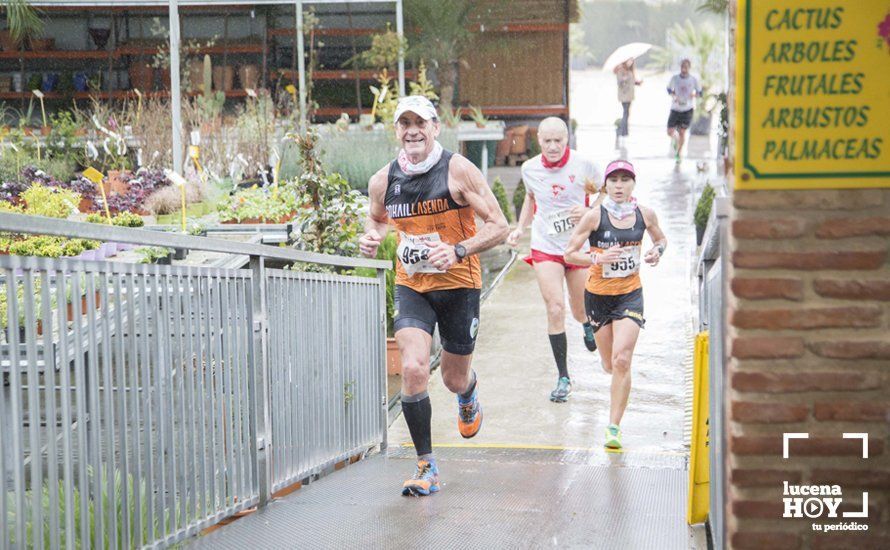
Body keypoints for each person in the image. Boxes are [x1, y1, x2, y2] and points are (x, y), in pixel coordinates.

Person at [359, 95, 509, 496]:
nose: (412, 130)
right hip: (413, 286)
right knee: (412, 368)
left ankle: (469, 391)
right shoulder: (382, 181)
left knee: (452, 378)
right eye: (404, 123)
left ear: (435, 128)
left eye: (420, 122)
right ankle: (426, 465)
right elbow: (377, 220)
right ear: (397, 131)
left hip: (459, 284)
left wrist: (458, 249)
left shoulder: (458, 171)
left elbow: (499, 225)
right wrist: (373, 238)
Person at [564, 160, 667, 450]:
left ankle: (613, 427)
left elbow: (661, 240)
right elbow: (570, 254)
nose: (619, 186)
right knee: (610, 363)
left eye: (625, 180)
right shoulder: (594, 217)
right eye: (614, 181)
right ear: (606, 185)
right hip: (597, 297)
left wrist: (656, 251)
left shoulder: (645, 214)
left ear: (633, 184)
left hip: (630, 294)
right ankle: (610, 368)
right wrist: (595, 258)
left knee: (623, 360)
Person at [506, 117, 602, 403]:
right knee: (555, 307)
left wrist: (588, 213)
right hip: (545, 245)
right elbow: (530, 198)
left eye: (557, 140)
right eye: (546, 141)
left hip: (576, 245)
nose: (552, 146)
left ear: (567, 140)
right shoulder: (530, 168)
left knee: (578, 308)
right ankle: (563, 377)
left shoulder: (584, 165)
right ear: (539, 142)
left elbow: (603, 192)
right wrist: (520, 228)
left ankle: (586, 323)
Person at [666, 59, 702, 162]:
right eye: (682, 67)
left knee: (682, 132)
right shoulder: (675, 78)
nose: (684, 69)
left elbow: (700, 93)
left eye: (686, 67)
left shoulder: (693, 79)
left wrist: (694, 95)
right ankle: (674, 139)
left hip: (687, 109)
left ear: (689, 68)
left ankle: (679, 153)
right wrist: (674, 95)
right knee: (670, 131)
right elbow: (668, 89)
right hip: (675, 108)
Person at [614, 58, 642, 139]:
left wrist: (639, 82)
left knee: (627, 112)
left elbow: (633, 82)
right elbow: (619, 83)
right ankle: (622, 131)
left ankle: (624, 131)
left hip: (630, 95)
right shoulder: (620, 71)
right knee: (626, 112)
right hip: (624, 95)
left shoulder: (630, 71)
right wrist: (624, 79)